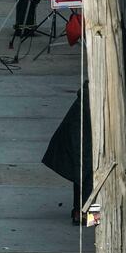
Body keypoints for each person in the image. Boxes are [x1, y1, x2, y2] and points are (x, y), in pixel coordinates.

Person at [42, 84, 94, 225]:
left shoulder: (87, 100)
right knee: (90, 178)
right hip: (82, 143)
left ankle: (80, 212)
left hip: (79, 143)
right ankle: (87, 215)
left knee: (83, 178)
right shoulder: (92, 102)